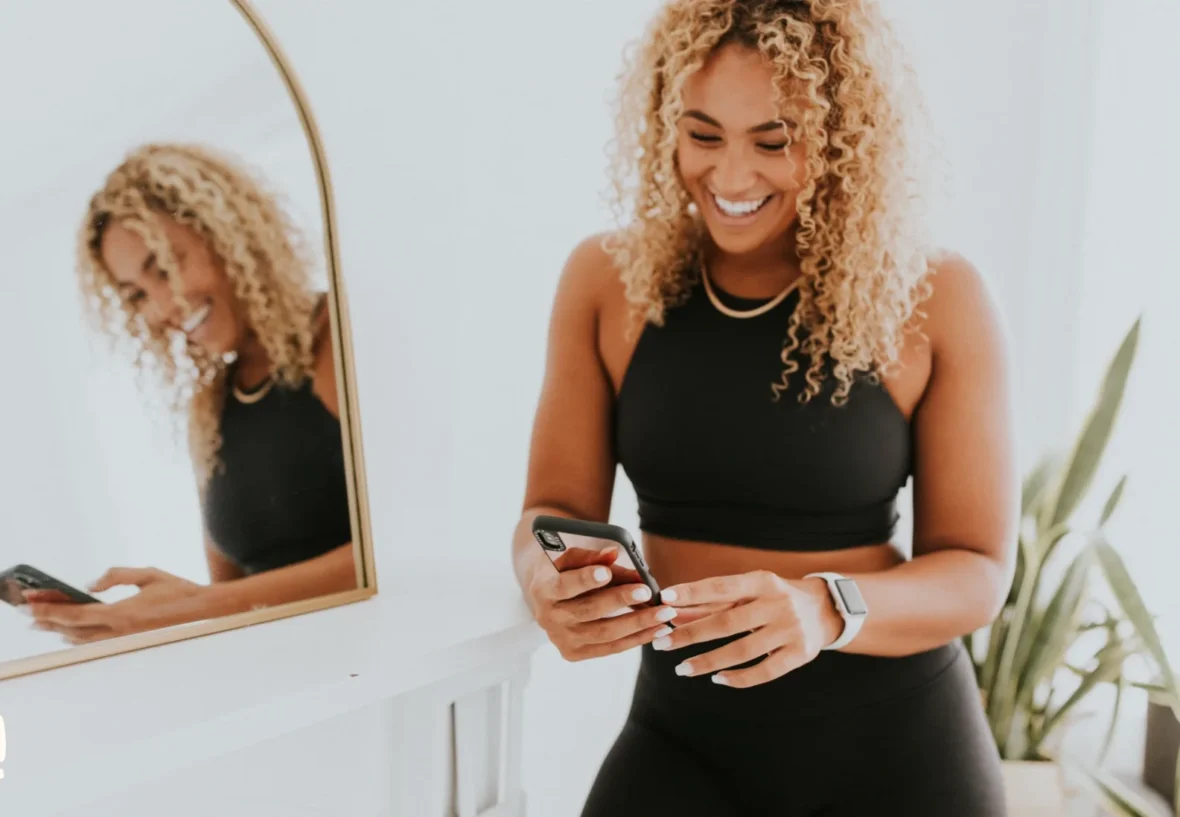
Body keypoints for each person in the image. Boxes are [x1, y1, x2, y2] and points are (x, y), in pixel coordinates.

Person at [510, 1, 1017, 815]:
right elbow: (552, 506)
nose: (732, 176)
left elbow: (978, 569)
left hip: (895, 751)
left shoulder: (933, 298)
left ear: (843, 135)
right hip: (682, 739)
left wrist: (825, 606)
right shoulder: (608, 284)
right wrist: (545, 575)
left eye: (774, 141)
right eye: (703, 135)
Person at [25, 143, 358, 645]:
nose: (162, 308)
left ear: (227, 234)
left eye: (164, 268)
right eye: (137, 294)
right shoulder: (212, 407)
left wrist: (193, 605)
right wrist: (142, 625)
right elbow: (235, 603)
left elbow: (394, 551)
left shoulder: (338, 337)